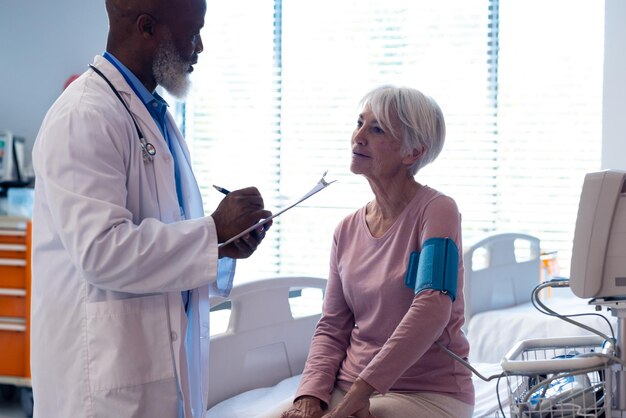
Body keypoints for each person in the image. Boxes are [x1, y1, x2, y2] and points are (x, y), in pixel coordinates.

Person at [29, 0, 272, 417]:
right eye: (191, 32)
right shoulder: (85, 115)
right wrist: (212, 232)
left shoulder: (152, 114)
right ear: (146, 28)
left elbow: (164, 234)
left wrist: (223, 243)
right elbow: (102, 251)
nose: (199, 47)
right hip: (102, 383)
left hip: (149, 364)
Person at [278, 86, 474, 418]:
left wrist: (362, 390)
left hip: (425, 392)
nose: (359, 136)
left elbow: (433, 308)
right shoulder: (346, 230)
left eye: (377, 128)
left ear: (412, 152)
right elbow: (333, 325)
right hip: (350, 387)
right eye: (359, 123)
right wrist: (310, 396)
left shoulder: (437, 211)